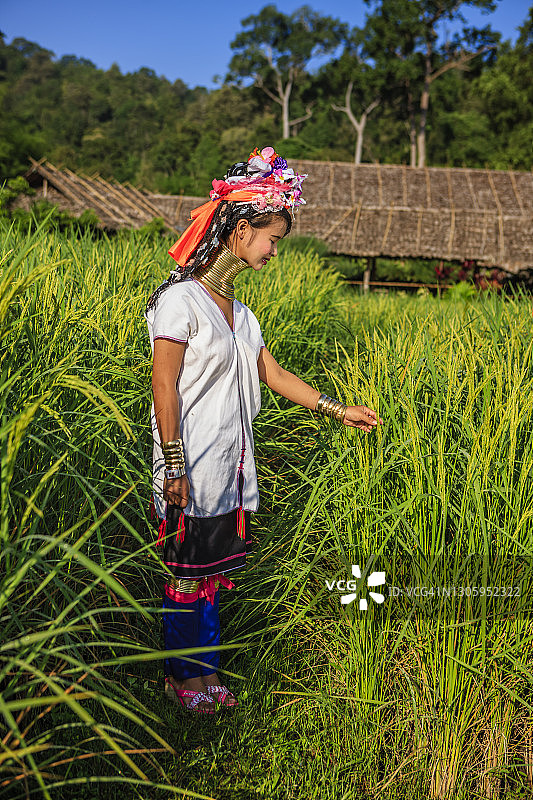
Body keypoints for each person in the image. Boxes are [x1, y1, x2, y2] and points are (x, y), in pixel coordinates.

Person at [144, 146, 383, 713]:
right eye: (271, 238)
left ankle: (207, 675)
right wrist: (173, 464)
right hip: (188, 465)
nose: (275, 250)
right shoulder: (181, 302)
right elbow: (163, 386)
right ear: (241, 228)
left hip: (227, 468)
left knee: (211, 577)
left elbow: (270, 373)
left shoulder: (240, 313)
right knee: (186, 576)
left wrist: (335, 408)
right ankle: (185, 684)